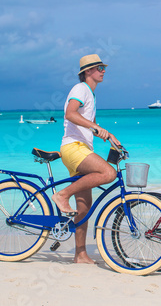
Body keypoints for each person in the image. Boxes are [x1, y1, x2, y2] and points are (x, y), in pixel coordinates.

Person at [52, 54, 121, 264]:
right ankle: (62, 196)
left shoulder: (90, 93)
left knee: (83, 208)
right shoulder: (80, 88)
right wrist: (95, 127)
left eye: (103, 67)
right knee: (108, 173)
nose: (103, 71)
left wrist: (108, 136)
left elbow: (89, 120)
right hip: (74, 148)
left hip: (82, 148)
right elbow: (70, 114)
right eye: (100, 67)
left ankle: (80, 254)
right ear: (88, 71)